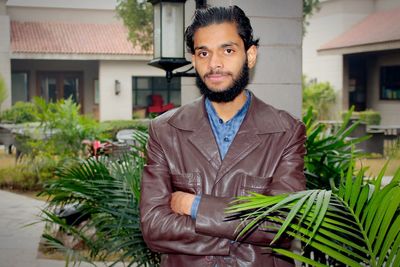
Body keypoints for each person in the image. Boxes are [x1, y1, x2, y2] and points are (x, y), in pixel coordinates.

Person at [140, 5, 306, 267]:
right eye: (203, 52)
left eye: (228, 50)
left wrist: (195, 206)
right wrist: (239, 236)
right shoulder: (165, 130)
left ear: (250, 55)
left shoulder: (285, 130)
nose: (214, 63)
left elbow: (282, 223)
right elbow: (153, 227)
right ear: (193, 60)